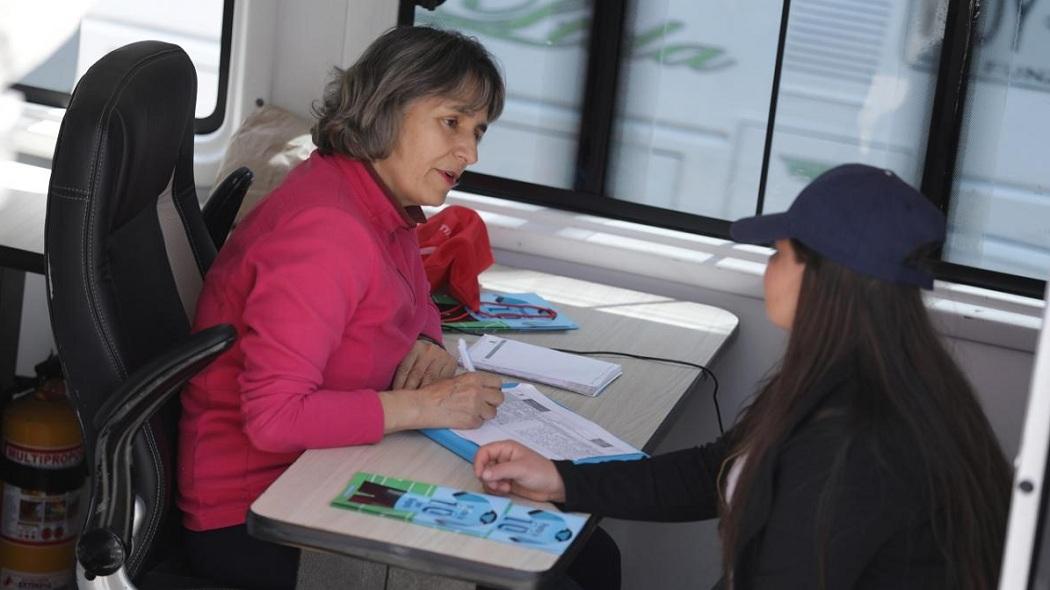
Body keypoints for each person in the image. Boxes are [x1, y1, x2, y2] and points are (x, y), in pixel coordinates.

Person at [474, 164, 1012, 589]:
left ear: (826, 279)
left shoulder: (857, 444)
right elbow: (717, 469)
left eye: (780, 255)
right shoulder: (858, 378)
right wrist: (563, 478)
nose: (767, 271)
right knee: (575, 562)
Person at [177, 27, 506, 589]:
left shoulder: (379, 197)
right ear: (388, 106)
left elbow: (415, 296)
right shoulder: (329, 230)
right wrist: (424, 406)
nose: (469, 152)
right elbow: (274, 418)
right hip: (253, 512)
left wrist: (426, 341)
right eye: (451, 122)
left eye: (477, 131)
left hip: (318, 472)